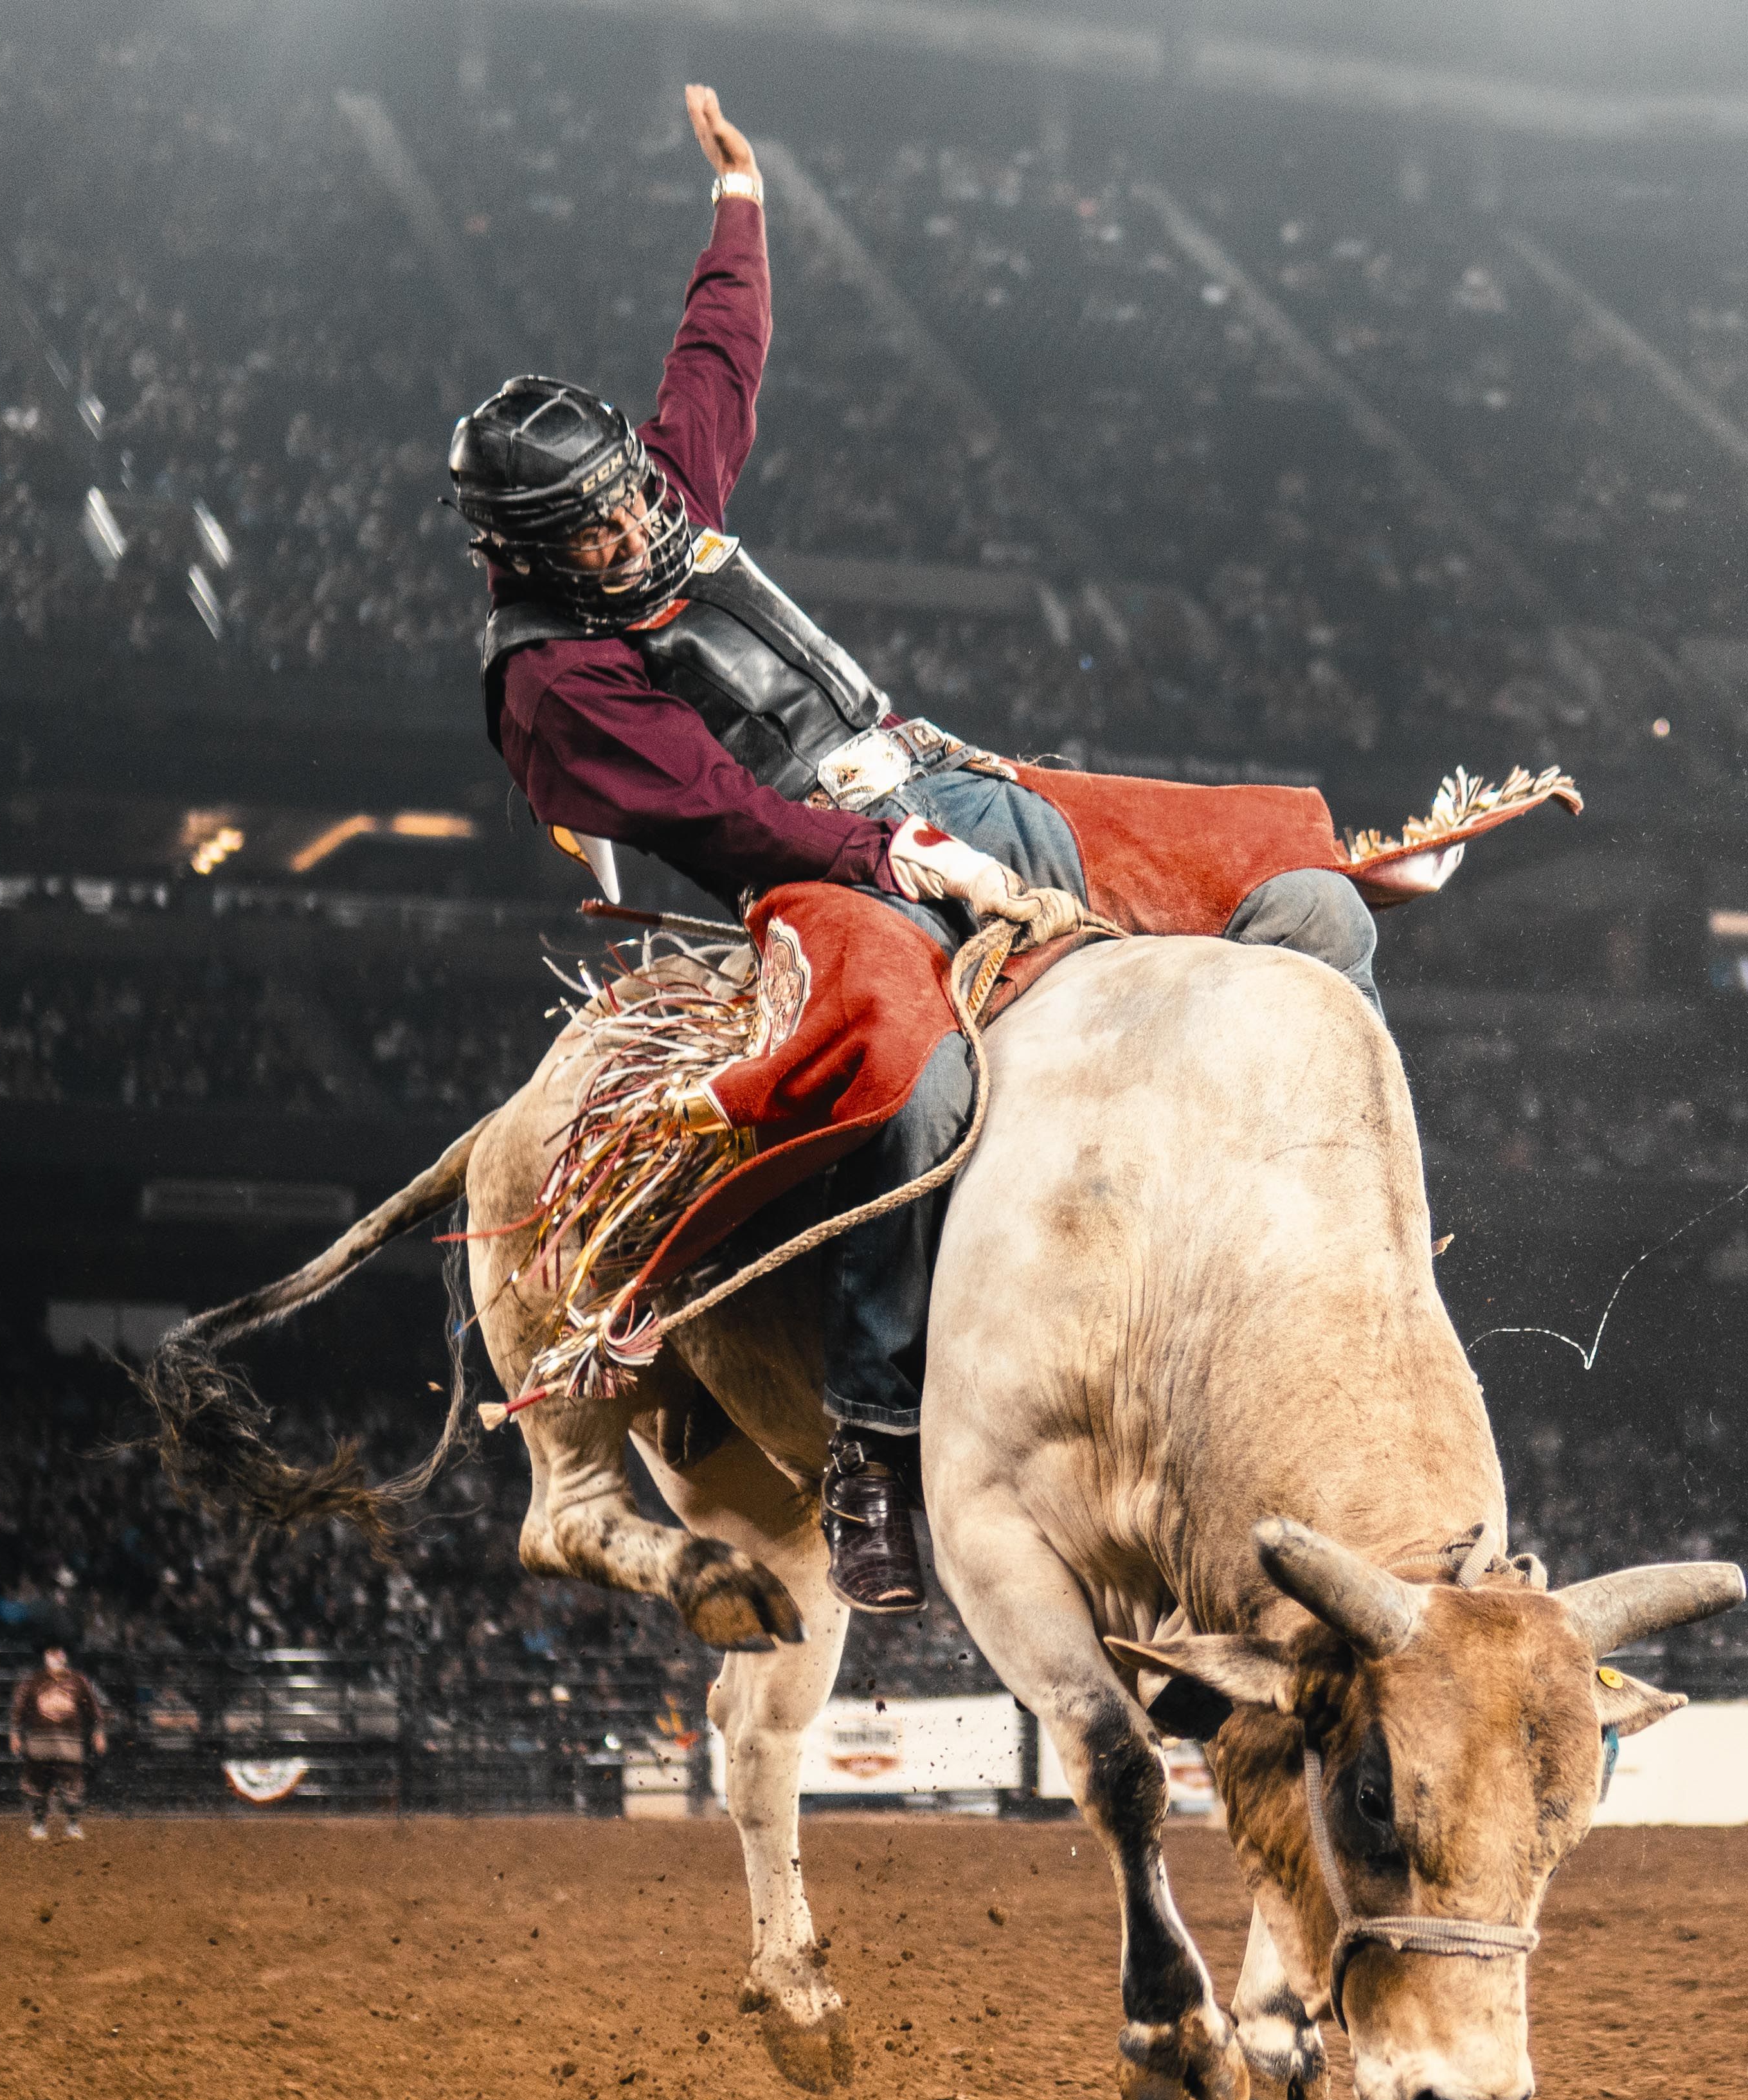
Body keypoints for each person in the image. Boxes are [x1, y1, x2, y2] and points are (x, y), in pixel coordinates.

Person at [450, 85, 1403, 1614]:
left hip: (947, 775)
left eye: (631, 500)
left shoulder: (651, 494)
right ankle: (876, 1444)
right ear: (522, 549)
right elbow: (720, 814)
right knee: (912, 1078)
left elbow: (716, 368)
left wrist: (741, 207)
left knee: (1303, 898)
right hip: (815, 883)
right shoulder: (547, 681)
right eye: (598, 530)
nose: (636, 530)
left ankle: (1335, 1261)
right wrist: (893, 861)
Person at [9, 1643, 107, 1840]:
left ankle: (73, 1824)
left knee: (72, 1783)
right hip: (39, 1742)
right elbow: (18, 1708)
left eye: (58, 1653)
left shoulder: (79, 1681)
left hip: (69, 1742)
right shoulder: (33, 1682)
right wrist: (14, 1733)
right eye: (51, 1653)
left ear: (65, 1656)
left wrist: (99, 1732)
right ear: (45, 1657)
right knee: (38, 1784)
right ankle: (38, 1824)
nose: (55, 1658)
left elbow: (94, 1709)